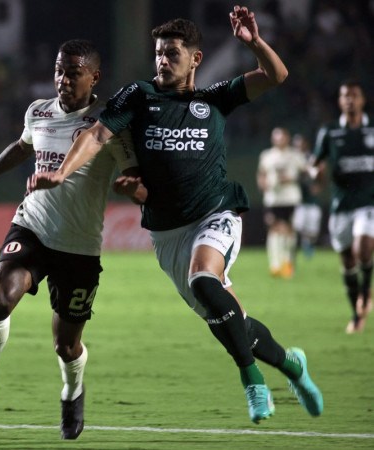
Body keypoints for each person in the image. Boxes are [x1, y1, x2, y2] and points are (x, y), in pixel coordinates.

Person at [29, 6, 323, 424]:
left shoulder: (214, 98)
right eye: (159, 53)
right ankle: (292, 365)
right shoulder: (138, 96)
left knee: (204, 279)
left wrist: (254, 43)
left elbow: (276, 76)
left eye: (172, 53)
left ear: (195, 59)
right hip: (168, 234)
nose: (162, 61)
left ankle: (252, 379)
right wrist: (61, 172)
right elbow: (96, 135)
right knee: (230, 319)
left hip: (216, 213)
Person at [0, 39, 140, 440]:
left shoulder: (110, 124)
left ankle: (73, 392)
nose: (63, 79)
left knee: (66, 346)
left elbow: (135, 176)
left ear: (94, 77)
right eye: (58, 70)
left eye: (73, 72)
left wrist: (133, 188)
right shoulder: (38, 111)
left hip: (79, 245)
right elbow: (22, 148)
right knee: (1, 294)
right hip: (32, 226)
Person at [310, 80, 374, 334]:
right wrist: (316, 173)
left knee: (364, 248)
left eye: (354, 96)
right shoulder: (329, 131)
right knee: (347, 261)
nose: (349, 100)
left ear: (362, 101)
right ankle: (356, 314)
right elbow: (313, 163)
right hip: (341, 205)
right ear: (340, 101)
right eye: (345, 96)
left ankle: (366, 292)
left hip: (368, 203)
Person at [256, 127, 306, 278]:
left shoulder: (295, 155)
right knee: (274, 228)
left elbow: (305, 173)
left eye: (281, 137)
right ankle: (275, 264)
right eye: (275, 137)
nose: (278, 140)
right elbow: (262, 173)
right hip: (273, 199)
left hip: (291, 198)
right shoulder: (267, 155)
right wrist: (263, 185)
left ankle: (288, 262)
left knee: (289, 230)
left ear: (287, 138)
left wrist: (292, 179)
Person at [291, 133, 323, 259]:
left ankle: (308, 243)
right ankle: (302, 246)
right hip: (298, 200)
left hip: (312, 200)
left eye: (300, 143)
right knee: (298, 226)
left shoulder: (312, 158)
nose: (298, 146)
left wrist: (318, 186)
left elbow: (321, 174)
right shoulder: (291, 158)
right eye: (296, 144)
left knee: (313, 231)